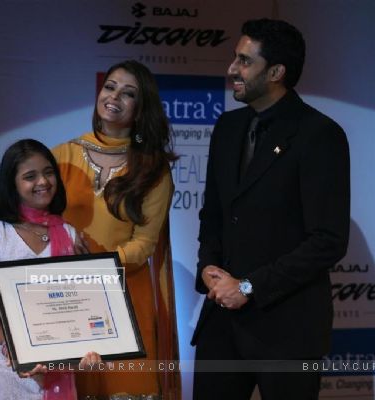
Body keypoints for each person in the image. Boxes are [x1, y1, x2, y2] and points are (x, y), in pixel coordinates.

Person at [191, 18, 350, 400]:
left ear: (276, 72)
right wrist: (208, 269)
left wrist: (248, 287)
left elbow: (328, 240)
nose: (232, 69)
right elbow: (212, 214)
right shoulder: (227, 127)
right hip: (221, 324)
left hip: (288, 331)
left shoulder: (320, 135)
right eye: (235, 58)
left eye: (244, 61)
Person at [53, 60, 180, 399]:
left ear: (141, 109)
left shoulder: (153, 169)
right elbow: (37, 223)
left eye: (128, 94)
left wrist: (99, 266)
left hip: (125, 298)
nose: (114, 97)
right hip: (66, 299)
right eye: (110, 87)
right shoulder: (61, 156)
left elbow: (145, 243)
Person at [0, 139, 100, 400]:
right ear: (13, 185)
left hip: (59, 366)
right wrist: (16, 347)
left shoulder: (71, 235)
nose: (43, 182)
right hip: (6, 365)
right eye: (30, 176)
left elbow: (81, 303)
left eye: (49, 172)